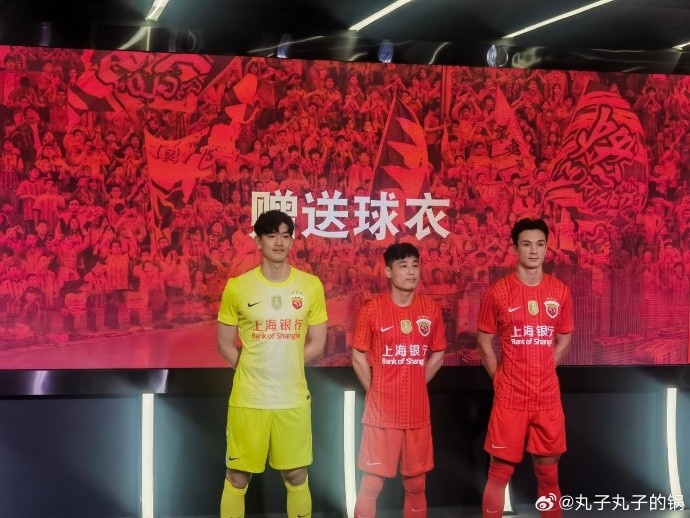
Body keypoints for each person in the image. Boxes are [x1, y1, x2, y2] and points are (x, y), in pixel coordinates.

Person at [217, 209, 328, 518]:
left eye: (285, 235)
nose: (279, 242)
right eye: (271, 235)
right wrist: (253, 367)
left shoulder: (310, 286)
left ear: (292, 241)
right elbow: (224, 345)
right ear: (259, 241)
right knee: (237, 478)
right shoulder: (237, 287)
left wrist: (286, 362)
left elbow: (318, 343)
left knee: (296, 475)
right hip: (248, 400)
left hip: (292, 399)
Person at [476, 218, 574, 518]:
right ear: (515, 248)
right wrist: (500, 378)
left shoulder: (560, 292)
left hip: (547, 397)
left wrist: (546, 367)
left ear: (547, 248)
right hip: (511, 398)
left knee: (549, 475)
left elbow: (564, 338)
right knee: (499, 475)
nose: (534, 251)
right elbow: (484, 342)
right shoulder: (498, 292)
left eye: (540, 244)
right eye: (527, 244)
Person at [351, 242, 446, 517]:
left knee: (416, 484)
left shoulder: (431, 309)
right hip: (381, 414)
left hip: (417, 412)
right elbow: (358, 356)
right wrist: (376, 390)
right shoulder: (372, 309)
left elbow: (438, 354)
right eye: (403, 266)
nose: (411, 272)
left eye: (415, 265)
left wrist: (416, 383)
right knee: (371, 483)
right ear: (388, 272)